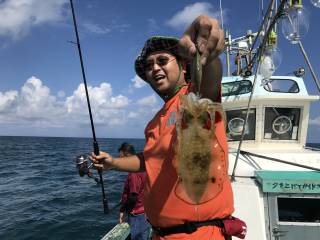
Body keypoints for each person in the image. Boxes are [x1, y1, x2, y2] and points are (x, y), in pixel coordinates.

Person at [92, 15, 234, 239]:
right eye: (149, 65)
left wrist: (203, 46)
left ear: (184, 66)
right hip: (160, 233)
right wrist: (113, 163)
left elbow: (209, 76)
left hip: (198, 233)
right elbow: (150, 160)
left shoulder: (193, 97)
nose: (155, 68)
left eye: (162, 60)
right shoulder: (155, 122)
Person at [118, 142, 150, 240]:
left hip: (137, 215)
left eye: (121, 156)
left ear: (127, 155)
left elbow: (133, 197)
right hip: (145, 212)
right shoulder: (142, 167)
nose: (119, 159)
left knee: (136, 237)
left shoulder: (133, 173)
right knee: (144, 236)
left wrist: (122, 210)